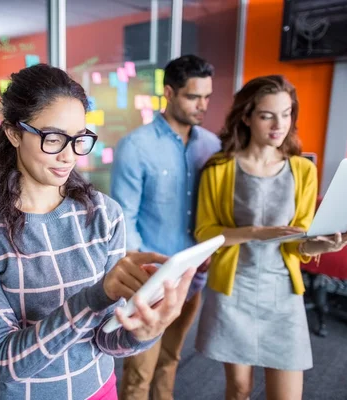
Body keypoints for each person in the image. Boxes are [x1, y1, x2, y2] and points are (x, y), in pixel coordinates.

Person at [0, 64, 196, 400]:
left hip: (98, 389)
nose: (68, 156)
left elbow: (105, 340)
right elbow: (4, 363)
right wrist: (95, 297)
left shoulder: (104, 214)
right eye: (53, 138)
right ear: (14, 133)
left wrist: (144, 333)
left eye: (79, 139)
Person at [194, 75, 347, 400]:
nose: (280, 124)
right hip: (234, 291)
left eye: (287, 113)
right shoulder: (219, 168)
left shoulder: (303, 171)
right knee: (239, 390)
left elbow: (300, 241)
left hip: (283, 293)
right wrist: (256, 233)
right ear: (247, 117)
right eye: (267, 115)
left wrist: (331, 243)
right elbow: (205, 233)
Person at [111, 55, 220, 399]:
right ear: (170, 93)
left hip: (195, 274)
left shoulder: (212, 145)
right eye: (193, 97)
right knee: (140, 371)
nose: (202, 106)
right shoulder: (135, 146)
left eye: (207, 97)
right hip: (153, 280)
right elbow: (124, 217)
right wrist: (144, 276)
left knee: (172, 357)